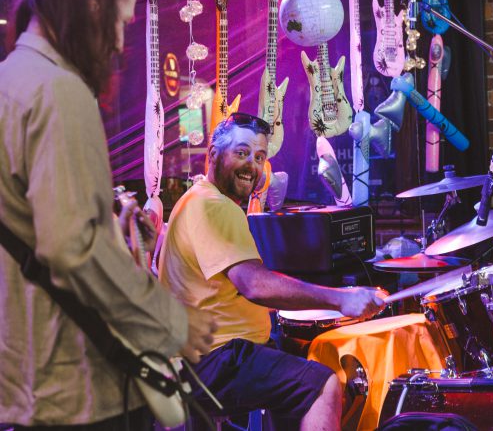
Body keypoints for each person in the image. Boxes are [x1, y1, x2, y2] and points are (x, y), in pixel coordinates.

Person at [0, 0, 217, 429]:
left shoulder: (10, 81)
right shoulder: (58, 92)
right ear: (93, 2)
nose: (120, 43)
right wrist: (172, 324)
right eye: (121, 21)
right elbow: (72, 246)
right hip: (80, 383)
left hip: (26, 378)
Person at [158, 112, 387, 430]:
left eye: (259, 156)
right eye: (241, 153)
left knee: (288, 384)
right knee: (322, 386)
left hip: (201, 357)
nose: (251, 165)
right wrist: (340, 299)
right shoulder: (214, 207)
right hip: (215, 358)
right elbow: (253, 284)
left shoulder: (193, 201)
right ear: (213, 155)